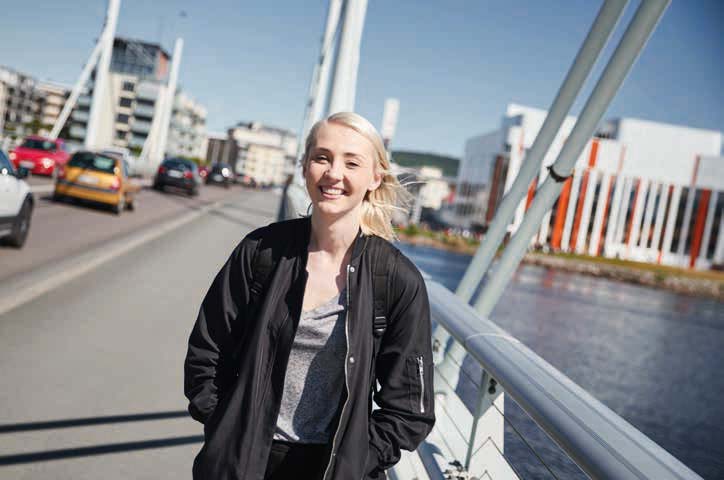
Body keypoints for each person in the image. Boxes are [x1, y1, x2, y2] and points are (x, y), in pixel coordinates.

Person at [184, 112, 435, 480]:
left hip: (329, 468)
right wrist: (225, 426)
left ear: (374, 177)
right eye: (322, 157)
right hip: (242, 460)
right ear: (304, 167)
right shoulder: (261, 252)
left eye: (352, 162)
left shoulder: (396, 280)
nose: (334, 173)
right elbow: (206, 352)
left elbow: (411, 408)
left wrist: (357, 460)